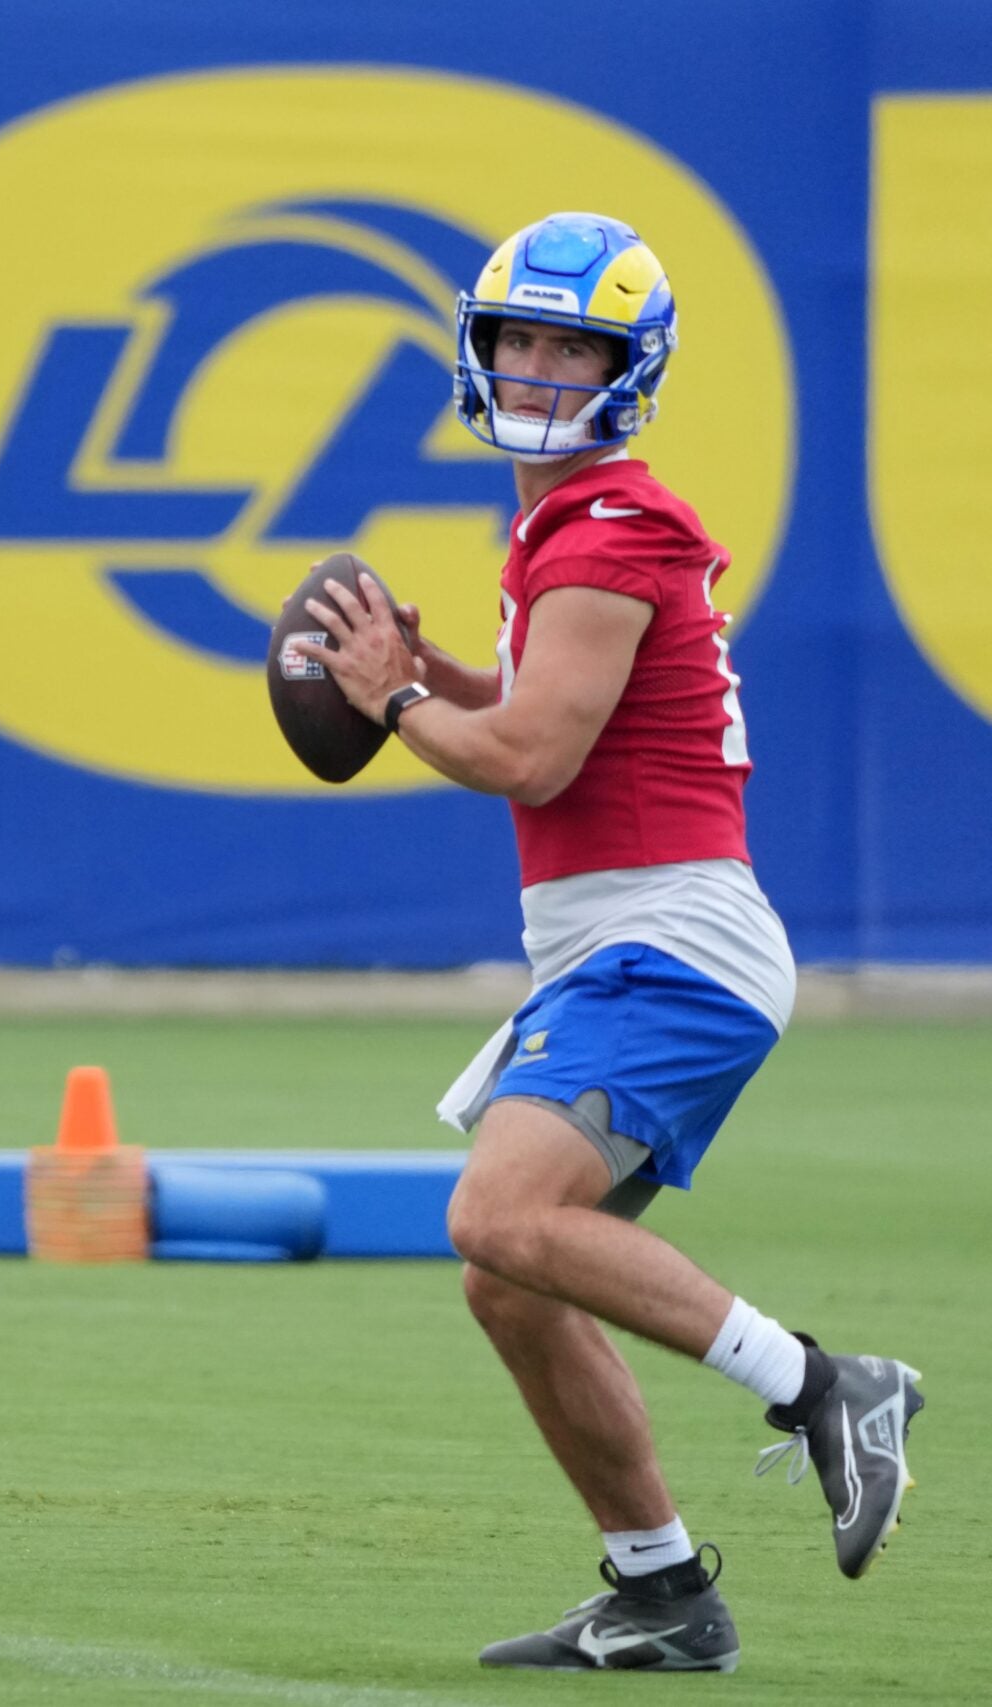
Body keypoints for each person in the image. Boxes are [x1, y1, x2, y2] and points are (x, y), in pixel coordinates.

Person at [296, 212, 924, 1673]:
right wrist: (429, 669)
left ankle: (826, 1384)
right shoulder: (563, 531)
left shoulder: (612, 524)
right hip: (621, 942)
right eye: (516, 334)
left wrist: (397, 701)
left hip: (669, 939)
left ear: (625, 368)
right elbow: (539, 710)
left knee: (496, 1219)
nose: (533, 364)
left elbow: (528, 757)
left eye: (569, 343)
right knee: (511, 1275)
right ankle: (660, 1591)